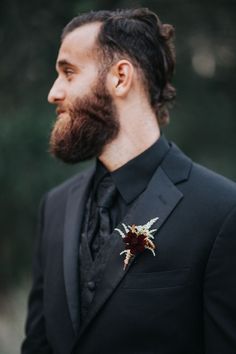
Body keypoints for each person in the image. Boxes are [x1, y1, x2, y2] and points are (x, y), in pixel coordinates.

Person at [21, 8, 236, 354]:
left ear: (120, 77)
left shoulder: (222, 211)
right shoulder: (55, 207)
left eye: (68, 72)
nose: (53, 93)